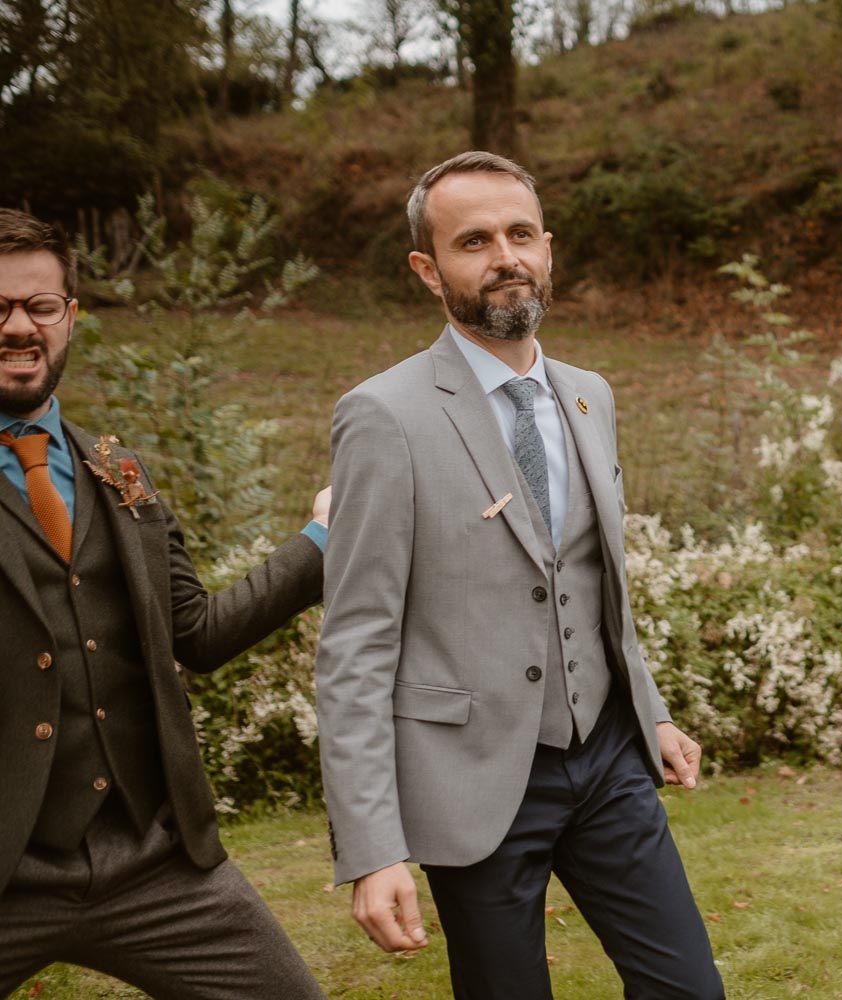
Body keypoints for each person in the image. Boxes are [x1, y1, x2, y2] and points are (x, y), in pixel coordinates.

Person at [315, 151, 723, 1000]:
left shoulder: (589, 395)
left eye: (520, 233)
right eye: (473, 240)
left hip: (609, 760)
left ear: (548, 249)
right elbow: (355, 641)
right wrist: (372, 844)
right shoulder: (384, 416)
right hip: (474, 777)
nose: (504, 255)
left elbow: (598, 582)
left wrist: (652, 714)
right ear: (429, 270)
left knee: (689, 989)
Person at [0, 207, 329, 997]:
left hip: (154, 864)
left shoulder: (119, 472)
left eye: (39, 306)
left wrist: (323, 541)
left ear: (70, 317)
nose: (18, 326)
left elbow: (198, 633)